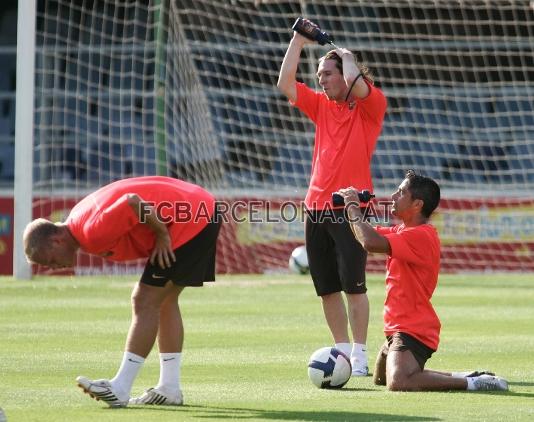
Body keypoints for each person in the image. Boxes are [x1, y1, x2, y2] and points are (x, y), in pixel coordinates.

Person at [23, 176, 221, 407]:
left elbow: (132, 201)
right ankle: (169, 388)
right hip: (199, 208)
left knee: (144, 299)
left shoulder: (91, 232)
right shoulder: (78, 223)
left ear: (56, 241)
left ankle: (120, 387)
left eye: (49, 260)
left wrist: (161, 234)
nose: (53, 267)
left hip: (191, 218)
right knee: (164, 300)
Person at [277, 18, 387, 376]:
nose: (321, 79)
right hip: (315, 207)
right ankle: (340, 351)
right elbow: (285, 83)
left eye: (327, 73)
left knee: (354, 286)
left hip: (350, 208)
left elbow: (360, 85)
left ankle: (359, 354)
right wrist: (298, 41)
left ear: (347, 74)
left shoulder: (371, 107)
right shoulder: (321, 106)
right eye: (320, 73)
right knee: (326, 287)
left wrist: (345, 55)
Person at [335, 170, 508, 391]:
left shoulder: (421, 235)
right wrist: (350, 210)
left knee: (399, 382)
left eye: (400, 192)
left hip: (413, 327)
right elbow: (363, 236)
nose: (393, 196)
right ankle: (464, 375)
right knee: (382, 378)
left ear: (417, 204)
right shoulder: (403, 230)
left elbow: (369, 241)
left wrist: (352, 207)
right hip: (397, 326)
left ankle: (472, 383)